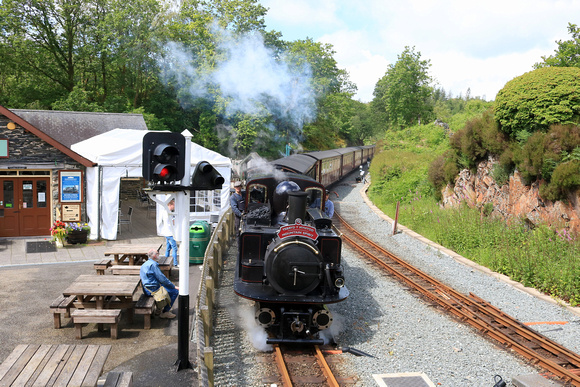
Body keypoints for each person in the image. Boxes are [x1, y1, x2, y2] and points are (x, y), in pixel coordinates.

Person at [140, 248, 179, 319]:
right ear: (155, 256)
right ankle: (165, 312)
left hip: (146, 288)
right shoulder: (153, 265)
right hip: (152, 289)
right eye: (157, 253)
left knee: (166, 286)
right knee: (174, 292)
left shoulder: (145, 264)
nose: (159, 254)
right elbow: (162, 279)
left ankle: (159, 309)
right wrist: (173, 286)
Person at [159, 199, 178, 268]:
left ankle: (166, 260)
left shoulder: (164, 212)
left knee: (168, 248)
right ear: (170, 205)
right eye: (174, 205)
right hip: (170, 233)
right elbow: (172, 223)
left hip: (166, 233)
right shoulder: (169, 213)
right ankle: (175, 263)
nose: (174, 206)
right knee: (175, 248)